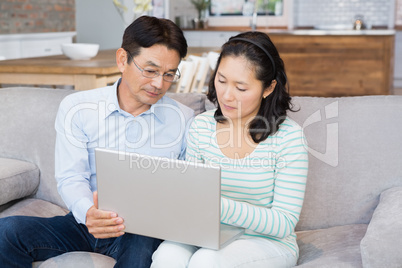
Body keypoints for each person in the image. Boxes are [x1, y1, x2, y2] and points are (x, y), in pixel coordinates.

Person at [0, 16, 194, 267]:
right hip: (85, 223)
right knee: (7, 231)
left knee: (141, 248)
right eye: (150, 70)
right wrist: (89, 214)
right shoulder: (78, 108)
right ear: (123, 59)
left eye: (169, 74)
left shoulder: (184, 119)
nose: (159, 84)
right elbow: (71, 177)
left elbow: (186, 191)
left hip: (142, 230)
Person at [151, 31, 309, 268]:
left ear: (268, 88)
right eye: (222, 80)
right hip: (205, 234)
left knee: (207, 261)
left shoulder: (288, 137)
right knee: (166, 256)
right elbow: (190, 197)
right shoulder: (202, 126)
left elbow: (283, 223)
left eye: (241, 88)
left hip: (266, 242)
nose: (226, 95)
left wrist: (217, 205)